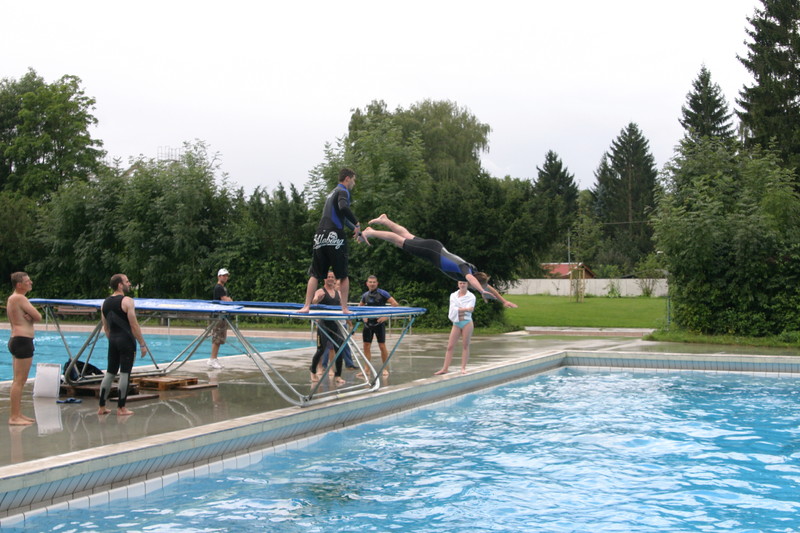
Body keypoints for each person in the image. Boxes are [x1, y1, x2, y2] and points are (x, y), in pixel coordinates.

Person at [363, 214, 518, 308]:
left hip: (434, 249)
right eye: (477, 287)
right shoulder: (466, 270)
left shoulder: (475, 272)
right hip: (432, 251)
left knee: (407, 235)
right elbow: (472, 280)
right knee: (399, 241)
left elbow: (487, 286)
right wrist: (481, 291)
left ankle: (385, 220)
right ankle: (372, 232)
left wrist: (503, 301)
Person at [298, 168, 367, 314]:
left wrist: (357, 231)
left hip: (320, 235)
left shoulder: (331, 193)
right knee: (343, 275)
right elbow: (344, 207)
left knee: (315, 274)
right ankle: (345, 308)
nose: (354, 183)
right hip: (334, 234)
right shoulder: (343, 191)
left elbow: (342, 217)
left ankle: (306, 306)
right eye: (353, 180)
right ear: (347, 178)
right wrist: (357, 223)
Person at [98, 274, 148, 416]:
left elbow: (106, 327)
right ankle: (121, 408)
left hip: (113, 340)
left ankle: (101, 407)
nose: (129, 283)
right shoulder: (127, 301)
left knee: (110, 373)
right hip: (126, 341)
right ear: (120, 285)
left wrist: (113, 340)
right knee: (125, 373)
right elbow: (134, 325)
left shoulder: (104, 303)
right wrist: (142, 344)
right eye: (127, 281)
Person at [6, 272, 41, 426]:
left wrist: (30, 316)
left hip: (17, 340)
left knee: (18, 380)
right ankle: (14, 417)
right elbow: (38, 316)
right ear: (19, 285)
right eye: (27, 281)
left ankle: (17, 413)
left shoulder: (12, 298)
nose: (30, 282)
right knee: (19, 381)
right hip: (22, 341)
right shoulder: (20, 298)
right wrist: (32, 316)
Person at [309, 271, 346, 386]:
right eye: (328, 277)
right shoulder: (320, 291)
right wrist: (317, 299)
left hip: (335, 324)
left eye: (332, 277)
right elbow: (313, 301)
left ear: (335, 279)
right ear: (324, 279)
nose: (330, 278)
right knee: (321, 350)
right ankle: (313, 371)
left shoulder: (338, 293)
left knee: (339, 349)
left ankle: (338, 375)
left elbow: (343, 306)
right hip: (323, 324)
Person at [358, 275, 399, 377]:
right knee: (366, 346)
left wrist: (386, 316)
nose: (372, 284)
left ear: (377, 283)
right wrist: (363, 317)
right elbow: (359, 307)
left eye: (374, 282)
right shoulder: (365, 295)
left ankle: (385, 368)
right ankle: (367, 369)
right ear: (367, 283)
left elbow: (395, 304)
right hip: (368, 323)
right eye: (370, 282)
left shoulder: (383, 293)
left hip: (379, 323)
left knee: (382, 346)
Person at [435, 281, 476, 375]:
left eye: (464, 283)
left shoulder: (471, 296)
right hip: (456, 322)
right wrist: (464, 309)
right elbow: (453, 309)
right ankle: (445, 368)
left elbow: (470, 309)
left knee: (465, 345)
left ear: (467, 284)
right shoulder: (453, 295)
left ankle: (463, 368)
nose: (462, 285)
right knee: (450, 346)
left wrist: (459, 309)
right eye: (460, 283)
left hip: (467, 322)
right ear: (458, 285)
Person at [209, 268, 233, 369]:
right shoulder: (218, 287)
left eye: (226, 276)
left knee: (220, 338)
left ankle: (214, 358)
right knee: (217, 338)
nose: (225, 277)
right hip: (218, 316)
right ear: (219, 276)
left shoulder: (223, 288)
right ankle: (212, 359)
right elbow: (225, 299)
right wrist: (229, 300)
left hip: (222, 315)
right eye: (223, 275)